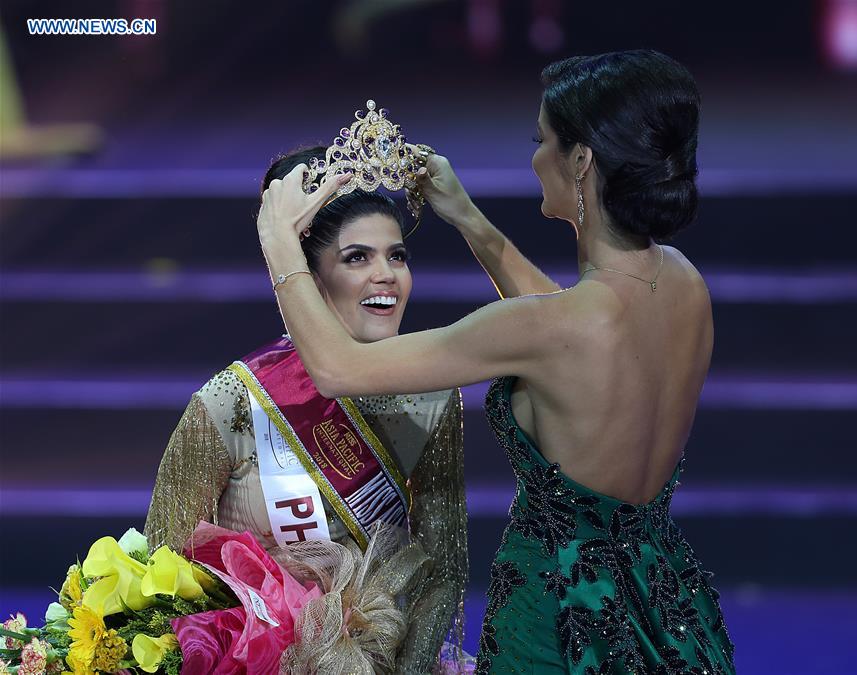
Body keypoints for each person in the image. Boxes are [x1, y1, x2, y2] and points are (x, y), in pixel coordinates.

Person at [257, 50, 735, 674]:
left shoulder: (548, 326)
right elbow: (574, 326)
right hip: (663, 606)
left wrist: (280, 245)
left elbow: (340, 367)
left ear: (582, 161)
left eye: (543, 141)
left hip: (557, 625)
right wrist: (467, 217)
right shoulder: (681, 283)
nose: (536, 158)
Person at [143, 146, 468, 674]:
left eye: (398, 255)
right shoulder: (233, 399)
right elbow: (163, 570)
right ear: (310, 278)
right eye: (357, 257)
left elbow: (442, 570)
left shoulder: (431, 397)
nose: (386, 274)